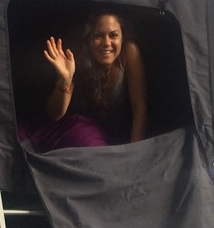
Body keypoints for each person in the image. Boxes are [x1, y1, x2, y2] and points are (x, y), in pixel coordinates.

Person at [28, 10, 147, 151]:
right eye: (98, 36)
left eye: (113, 35)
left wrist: (135, 152)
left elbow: (139, 107)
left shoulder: (129, 52)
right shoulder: (76, 58)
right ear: (88, 39)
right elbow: (55, 115)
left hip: (113, 131)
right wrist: (65, 79)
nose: (107, 43)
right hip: (77, 129)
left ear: (122, 38)